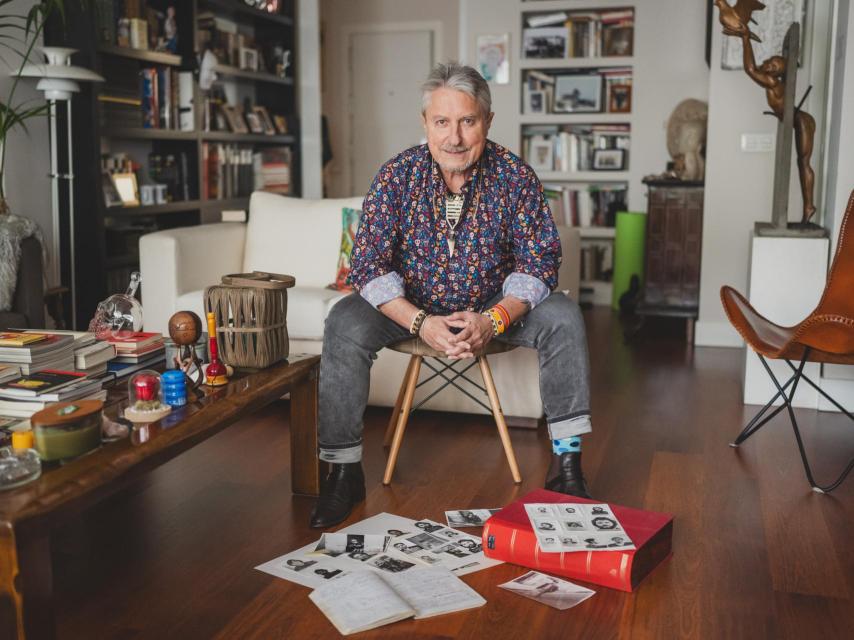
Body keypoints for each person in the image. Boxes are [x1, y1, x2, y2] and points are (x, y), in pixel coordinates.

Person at [309, 62, 593, 529]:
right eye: (442, 122)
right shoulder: (396, 176)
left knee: (563, 315)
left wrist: (494, 320)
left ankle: (567, 468)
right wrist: (420, 322)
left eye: (468, 121)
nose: (454, 137)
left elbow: (539, 263)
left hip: (495, 308)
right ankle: (343, 474)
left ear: (488, 121)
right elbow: (369, 266)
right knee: (344, 320)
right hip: (411, 309)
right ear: (425, 124)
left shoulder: (515, 177)